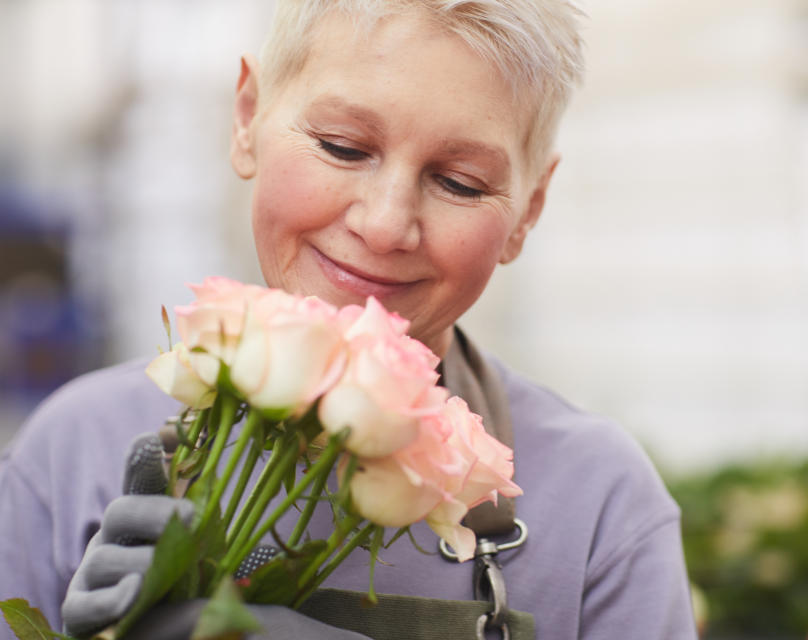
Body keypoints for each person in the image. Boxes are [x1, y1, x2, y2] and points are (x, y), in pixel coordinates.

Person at [0, 1, 698, 638]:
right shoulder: (69, 456)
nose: (387, 224)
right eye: (342, 146)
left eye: (459, 182)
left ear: (529, 211)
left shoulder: (602, 506)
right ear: (247, 118)